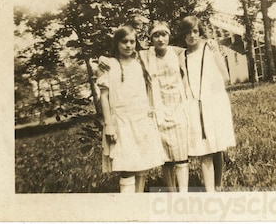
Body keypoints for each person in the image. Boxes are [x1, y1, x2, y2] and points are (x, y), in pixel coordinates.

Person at [97, 25, 165, 193]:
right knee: (127, 165)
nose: (128, 45)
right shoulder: (109, 64)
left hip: (141, 119)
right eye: (124, 42)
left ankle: (138, 203)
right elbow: (104, 97)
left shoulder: (140, 63)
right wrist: (109, 124)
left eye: (132, 42)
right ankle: (127, 205)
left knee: (142, 163)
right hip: (121, 122)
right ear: (117, 43)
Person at [178, 16, 236, 192]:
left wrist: (216, 50)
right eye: (187, 32)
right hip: (194, 104)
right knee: (206, 147)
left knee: (216, 143)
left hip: (213, 101)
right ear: (182, 35)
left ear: (200, 32)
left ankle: (217, 186)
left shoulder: (209, 48)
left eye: (195, 31)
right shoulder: (182, 55)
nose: (192, 36)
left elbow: (225, 76)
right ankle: (211, 188)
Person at [138, 21, 189, 192]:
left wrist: (210, 42)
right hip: (158, 109)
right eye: (156, 35)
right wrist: (102, 58)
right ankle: (172, 192)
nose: (160, 39)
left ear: (169, 35)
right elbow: (120, 53)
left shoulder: (178, 52)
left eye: (163, 34)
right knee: (166, 156)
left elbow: (199, 47)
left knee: (181, 155)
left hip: (178, 106)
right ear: (151, 38)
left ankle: (183, 194)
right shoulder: (145, 56)